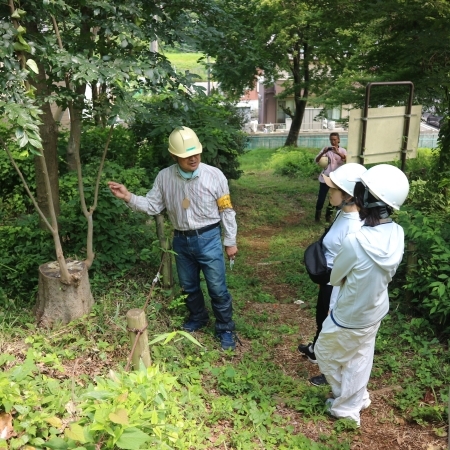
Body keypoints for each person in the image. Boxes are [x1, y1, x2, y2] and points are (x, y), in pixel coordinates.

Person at [108, 126, 238, 351]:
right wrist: (128, 197)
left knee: (217, 287)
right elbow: (152, 205)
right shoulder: (165, 177)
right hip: (181, 240)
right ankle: (198, 317)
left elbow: (226, 210)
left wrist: (230, 240)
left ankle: (225, 328)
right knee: (188, 286)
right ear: (174, 156)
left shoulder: (214, 176)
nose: (194, 158)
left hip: (209, 238)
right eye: (187, 156)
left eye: (196, 153)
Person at [314, 164, 410, 427]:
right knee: (360, 356)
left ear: (367, 198)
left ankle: (346, 404)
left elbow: (335, 278)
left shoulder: (356, 241)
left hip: (350, 313)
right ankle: (356, 399)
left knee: (324, 352)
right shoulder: (397, 233)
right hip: (375, 308)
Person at [298, 163, 367, 384]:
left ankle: (332, 372)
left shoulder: (354, 227)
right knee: (321, 319)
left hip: (337, 284)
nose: (329, 191)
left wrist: (334, 303)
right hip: (328, 279)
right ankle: (316, 351)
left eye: (333, 188)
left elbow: (349, 271)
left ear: (348, 195)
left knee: (332, 325)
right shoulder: (342, 214)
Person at [314, 133, 347, 223]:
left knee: (334, 198)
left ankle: (328, 216)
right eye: (331, 139)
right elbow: (316, 160)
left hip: (336, 179)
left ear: (338, 140)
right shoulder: (326, 150)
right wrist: (324, 152)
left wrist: (338, 153)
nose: (333, 141)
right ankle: (317, 216)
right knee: (321, 198)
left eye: (335, 139)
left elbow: (347, 160)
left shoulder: (343, 150)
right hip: (325, 178)